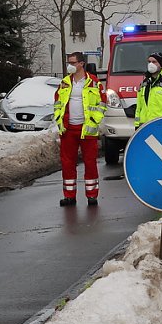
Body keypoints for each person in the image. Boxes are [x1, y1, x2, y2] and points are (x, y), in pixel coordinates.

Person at [53, 51, 107, 207]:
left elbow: (102, 104)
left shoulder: (94, 83)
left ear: (81, 64)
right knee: (67, 163)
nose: (70, 65)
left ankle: (92, 195)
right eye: (68, 63)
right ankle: (69, 196)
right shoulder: (64, 82)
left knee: (90, 163)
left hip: (87, 130)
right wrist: (59, 120)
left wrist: (93, 121)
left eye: (73, 62)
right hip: (68, 129)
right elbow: (57, 103)